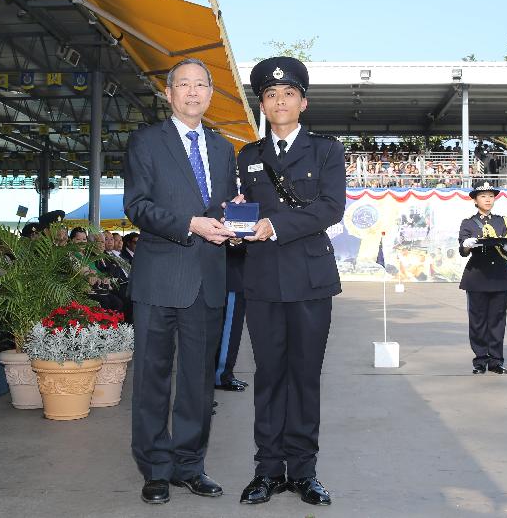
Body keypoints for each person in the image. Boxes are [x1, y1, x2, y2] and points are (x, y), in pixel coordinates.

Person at [123, 57, 240, 505]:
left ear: (211, 95)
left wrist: (235, 216)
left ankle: (190, 465)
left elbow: (223, 205)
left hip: (208, 278)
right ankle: (155, 468)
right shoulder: (146, 142)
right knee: (152, 377)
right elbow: (138, 206)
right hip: (159, 277)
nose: (193, 93)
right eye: (183, 85)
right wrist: (189, 223)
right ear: (168, 94)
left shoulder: (223, 148)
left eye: (201, 86)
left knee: (198, 381)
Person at [236, 56, 345, 507]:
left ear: (303, 101)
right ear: (262, 103)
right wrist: (234, 215)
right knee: (269, 377)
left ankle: (303, 471)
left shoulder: (326, 150)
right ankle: (266, 470)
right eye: (270, 95)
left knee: (304, 377)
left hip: (310, 280)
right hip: (262, 279)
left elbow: (330, 208)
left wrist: (274, 225)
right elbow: (237, 206)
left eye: (288, 94)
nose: (279, 101)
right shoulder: (248, 155)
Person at [458, 181, 507, 375]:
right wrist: (467, 244)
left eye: (491, 196)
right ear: (475, 200)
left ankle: (496, 361)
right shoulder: (468, 223)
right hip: (477, 276)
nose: (488, 199)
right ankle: (480, 360)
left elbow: (506, 249)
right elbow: (463, 251)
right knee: (478, 320)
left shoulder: (501, 221)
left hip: (500, 276)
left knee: (498, 320)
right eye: (483, 196)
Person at [214, 244, 249, 392]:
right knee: (229, 331)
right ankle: (221, 376)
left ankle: (224, 374)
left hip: (236, 274)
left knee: (231, 331)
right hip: (232, 276)